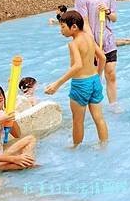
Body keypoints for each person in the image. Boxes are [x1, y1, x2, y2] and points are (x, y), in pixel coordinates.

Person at [44, 10, 109, 147]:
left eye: (62, 27)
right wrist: (98, 74)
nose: (61, 30)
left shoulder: (73, 43)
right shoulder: (89, 38)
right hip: (94, 81)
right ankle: (104, 145)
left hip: (81, 84)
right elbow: (102, 57)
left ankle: (75, 148)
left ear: (73, 27)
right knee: (99, 118)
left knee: (78, 121)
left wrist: (57, 84)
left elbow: (77, 65)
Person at [74, 0, 119, 110]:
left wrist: (107, 11)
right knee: (94, 76)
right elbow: (84, 22)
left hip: (108, 39)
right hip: (91, 42)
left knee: (111, 73)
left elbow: (114, 17)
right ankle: (93, 106)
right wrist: (91, 42)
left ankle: (113, 104)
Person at [0, 84, 37, 174]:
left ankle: (25, 160)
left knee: (30, 138)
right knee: (31, 165)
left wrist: (11, 119)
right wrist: (14, 159)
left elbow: (17, 135)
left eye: (0, 101)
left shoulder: (1, 114)